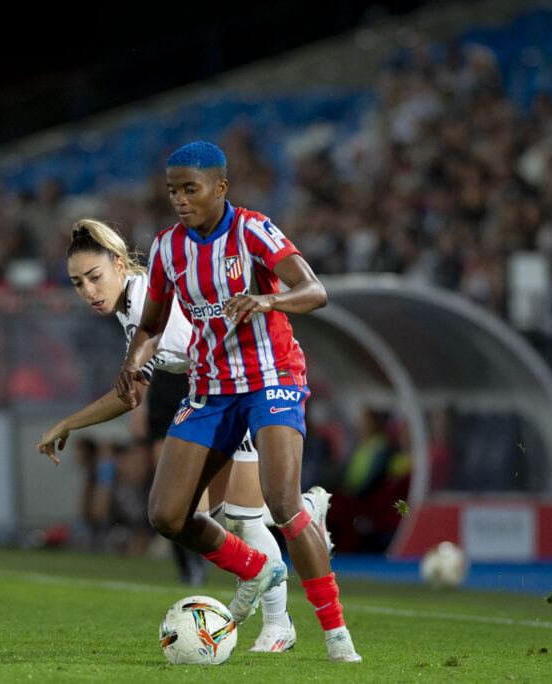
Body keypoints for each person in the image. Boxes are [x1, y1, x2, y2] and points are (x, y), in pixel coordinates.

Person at [36, 218, 332, 652]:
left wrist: (67, 423)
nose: (88, 291)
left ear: (120, 265)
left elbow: (133, 393)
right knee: (226, 515)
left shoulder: (144, 304)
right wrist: (71, 423)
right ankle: (301, 520)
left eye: (95, 277)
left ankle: (279, 622)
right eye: (78, 283)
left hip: (244, 387)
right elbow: (134, 390)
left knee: (242, 519)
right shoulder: (133, 305)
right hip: (215, 398)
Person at [116, 141, 361, 662]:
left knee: (281, 503)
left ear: (220, 188)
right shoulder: (166, 248)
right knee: (166, 516)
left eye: (190, 189)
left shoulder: (252, 230)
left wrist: (267, 298)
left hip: (271, 378)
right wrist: (136, 360)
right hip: (209, 390)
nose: (180, 200)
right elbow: (152, 325)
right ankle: (256, 567)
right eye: (172, 191)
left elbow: (314, 290)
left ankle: (337, 636)